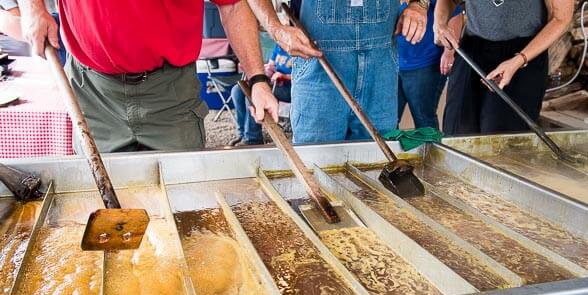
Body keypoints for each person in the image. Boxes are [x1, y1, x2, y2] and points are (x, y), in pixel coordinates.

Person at [19, 0, 315, 153]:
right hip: (94, 93)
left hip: (171, 95)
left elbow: (232, 4)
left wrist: (258, 79)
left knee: (181, 211)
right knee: (99, 215)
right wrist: (32, 8)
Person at [268, 0, 429, 144]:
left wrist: (419, 4)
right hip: (319, 76)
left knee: (376, 164)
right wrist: (275, 29)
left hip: (380, 78)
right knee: (316, 165)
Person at [435, 0, 574, 135]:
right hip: (472, 48)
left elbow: (561, 17)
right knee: (457, 131)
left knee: (500, 136)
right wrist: (440, 23)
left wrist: (519, 60)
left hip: (524, 52)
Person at [396, 0, 463, 129]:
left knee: (424, 119)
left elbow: (455, 12)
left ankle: (431, 149)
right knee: (388, 121)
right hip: (391, 64)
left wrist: (449, 52)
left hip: (425, 63)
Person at [230, 43, 292, 146]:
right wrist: (262, 71)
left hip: (290, 87)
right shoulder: (279, 45)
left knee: (253, 96)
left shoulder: (296, 46)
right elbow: (271, 66)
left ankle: (253, 138)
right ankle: (242, 133)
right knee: (237, 90)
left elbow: (305, 76)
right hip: (274, 83)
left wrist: (284, 76)